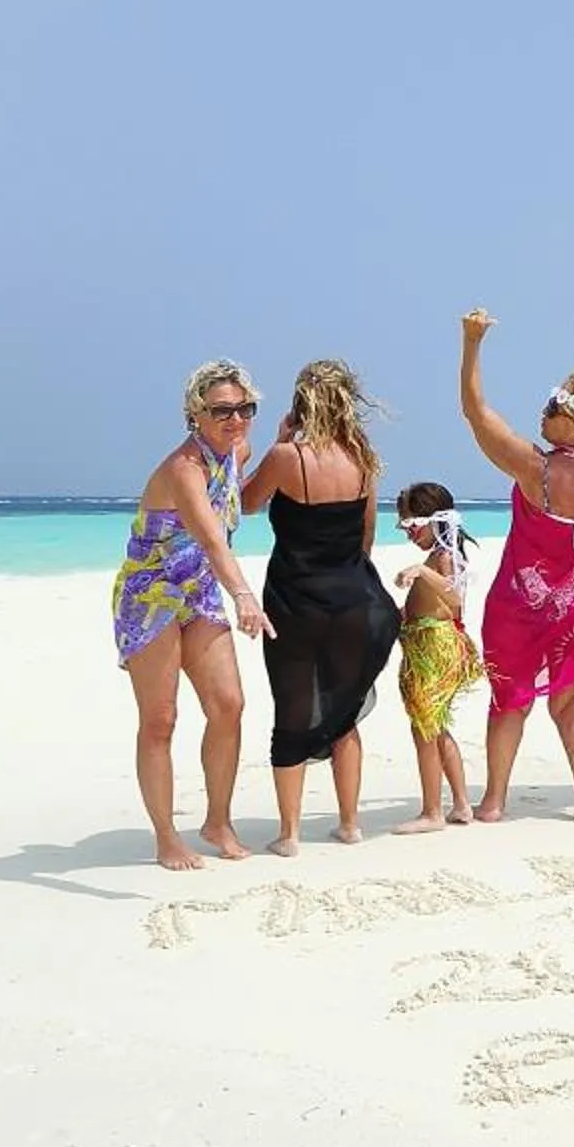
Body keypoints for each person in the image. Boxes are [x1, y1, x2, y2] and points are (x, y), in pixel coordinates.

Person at [455, 308, 574, 824]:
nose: (542, 413)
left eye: (552, 405)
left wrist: (471, 344)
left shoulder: (535, 467)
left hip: (526, 599)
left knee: (511, 696)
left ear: (572, 420)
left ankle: (493, 802)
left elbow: (475, 411)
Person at [110, 360, 275, 870]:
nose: (236, 420)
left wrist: (289, 435)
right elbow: (208, 536)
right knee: (160, 720)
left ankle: (217, 821)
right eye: (222, 410)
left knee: (228, 704)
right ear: (195, 414)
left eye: (245, 409)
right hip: (151, 596)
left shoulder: (236, 449)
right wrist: (245, 595)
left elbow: (239, 484)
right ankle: (166, 837)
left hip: (198, 589)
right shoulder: (185, 469)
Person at [235, 360, 401, 848]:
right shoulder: (363, 459)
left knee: (293, 707)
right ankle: (350, 824)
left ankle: (288, 834)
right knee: (343, 709)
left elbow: (245, 504)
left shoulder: (291, 457)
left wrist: (276, 441)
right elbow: (367, 533)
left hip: (295, 599)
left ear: (301, 403)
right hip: (355, 597)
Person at [387, 481, 483, 834]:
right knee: (437, 727)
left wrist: (421, 571)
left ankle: (432, 811)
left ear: (438, 520)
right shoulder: (435, 557)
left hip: (435, 649)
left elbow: (455, 599)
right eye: (405, 527)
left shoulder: (445, 557)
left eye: (414, 525)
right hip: (420, 643)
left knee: (424, 729)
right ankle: (460, 804)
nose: (409, 533)